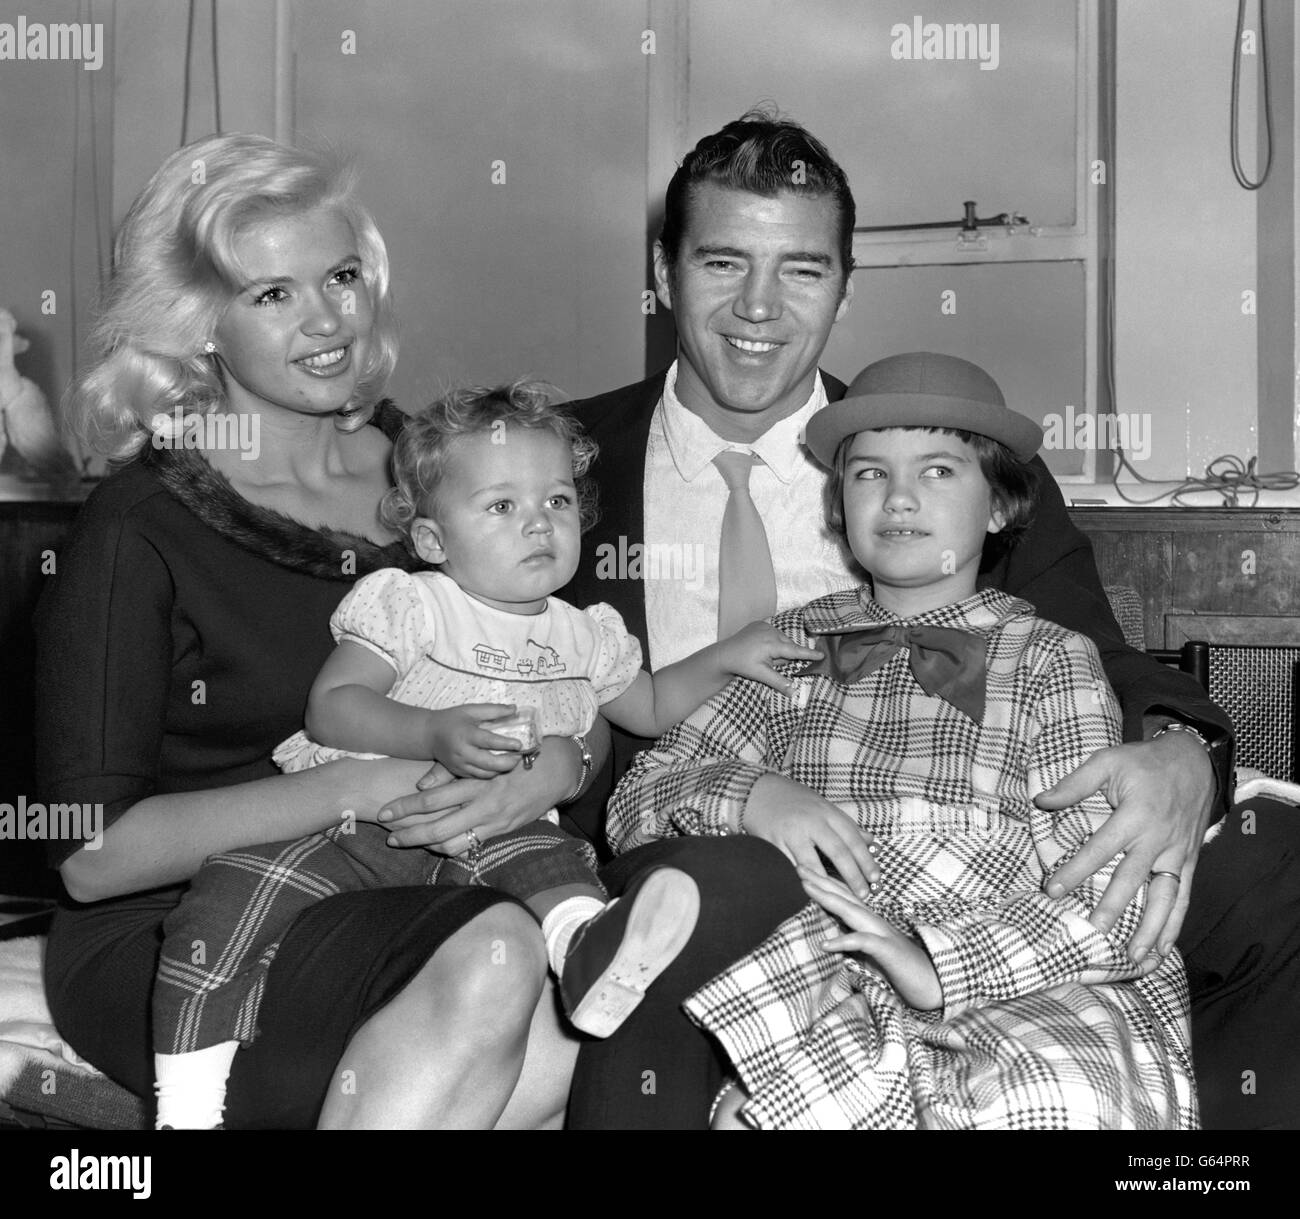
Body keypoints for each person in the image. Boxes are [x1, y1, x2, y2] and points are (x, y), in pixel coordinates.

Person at [554, 107, 1296, 1131]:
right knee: (718, 886)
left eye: (802, 270)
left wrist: (1181, 754)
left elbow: (1099, 659)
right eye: (723, 262)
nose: (758, 307)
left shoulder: (968, 456)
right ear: (666, 269)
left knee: (1279, 860)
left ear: (844, 285)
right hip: (709, 848)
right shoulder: (552, 466)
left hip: (992, 856)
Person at [35, 133, 585, 1130]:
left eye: (339, 276)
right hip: (182, 928)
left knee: (585, 1017)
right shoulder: (137, 526)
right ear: (200, 324)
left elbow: (560, 660)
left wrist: (554, 766)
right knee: (501, 957)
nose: (328, 319)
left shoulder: (434, 468)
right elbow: (89, 854)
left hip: (416, 873)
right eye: (272, 294)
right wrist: (358, 785)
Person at [149, 380, 814, 1127]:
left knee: (553, 861)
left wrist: (728, 654)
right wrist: (430, 733)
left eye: (557, 501)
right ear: (434, 539)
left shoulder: (584, 634)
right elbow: (333, 708)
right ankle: (187, 1105)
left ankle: (589, 949)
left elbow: (653, 704)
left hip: (499, 833)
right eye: (502, 506)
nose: (539, 524)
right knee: (236, 889)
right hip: (372, 821)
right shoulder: (414, 604)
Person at [610, 351, 1196, 1129]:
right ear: (840, 501)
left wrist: (937, 964)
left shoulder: (1054, 658)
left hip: (1021, 976)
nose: (900, 498)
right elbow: (637, 799)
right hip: (829, 976)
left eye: (940, 472)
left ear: (998, 506)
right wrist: (755, 793)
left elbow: (1110, 897)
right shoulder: (793, 643)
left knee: (1058, 1101)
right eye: (869, 474)